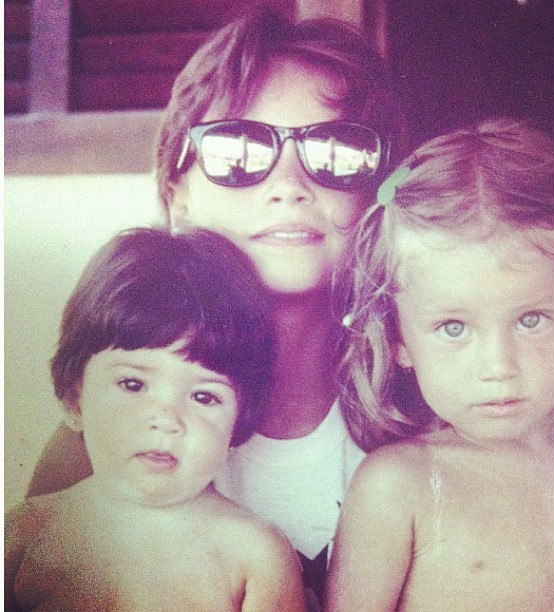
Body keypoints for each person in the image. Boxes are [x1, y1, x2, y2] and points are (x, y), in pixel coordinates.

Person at [25, 8, 409, 607]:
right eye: (239, 149)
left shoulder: (425, 406)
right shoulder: (119, 418)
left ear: (374, 194)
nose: (289, 185)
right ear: (176, 195)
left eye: (335, 150)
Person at [326, 119, 554, 610]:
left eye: (530, 319)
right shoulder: (399, 487)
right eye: (454, 328)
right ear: (399, 339)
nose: (498, 366)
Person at [5, 226, 306, 612]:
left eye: (203, 396)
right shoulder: (23, 536)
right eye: (133, 384)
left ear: (238, 423)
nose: (166, 420)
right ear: (75, 399)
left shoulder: (255, 556)